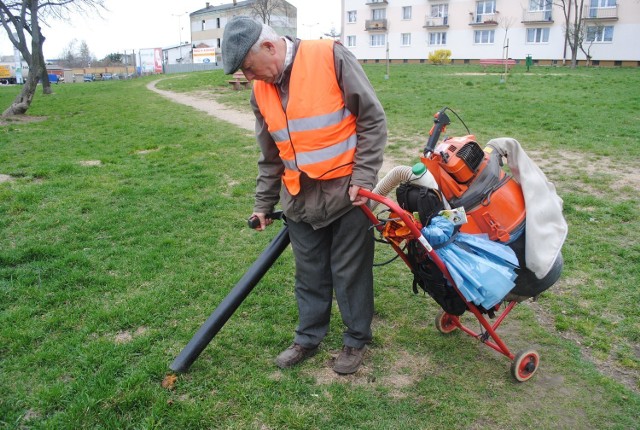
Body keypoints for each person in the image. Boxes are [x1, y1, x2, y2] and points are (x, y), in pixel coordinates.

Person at [222, 16, 387, 374]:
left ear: (269, 46)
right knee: (309, 273)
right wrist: (264, 203)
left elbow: (372, 120)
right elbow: (270, 154)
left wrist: (364, 177)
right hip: (298, 198)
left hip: (347, 193)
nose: (249, 78)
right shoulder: (260, 91)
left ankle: (355, 340)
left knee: (350, 272)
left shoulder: (330, 56)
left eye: (249, 68)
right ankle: (308, 338)